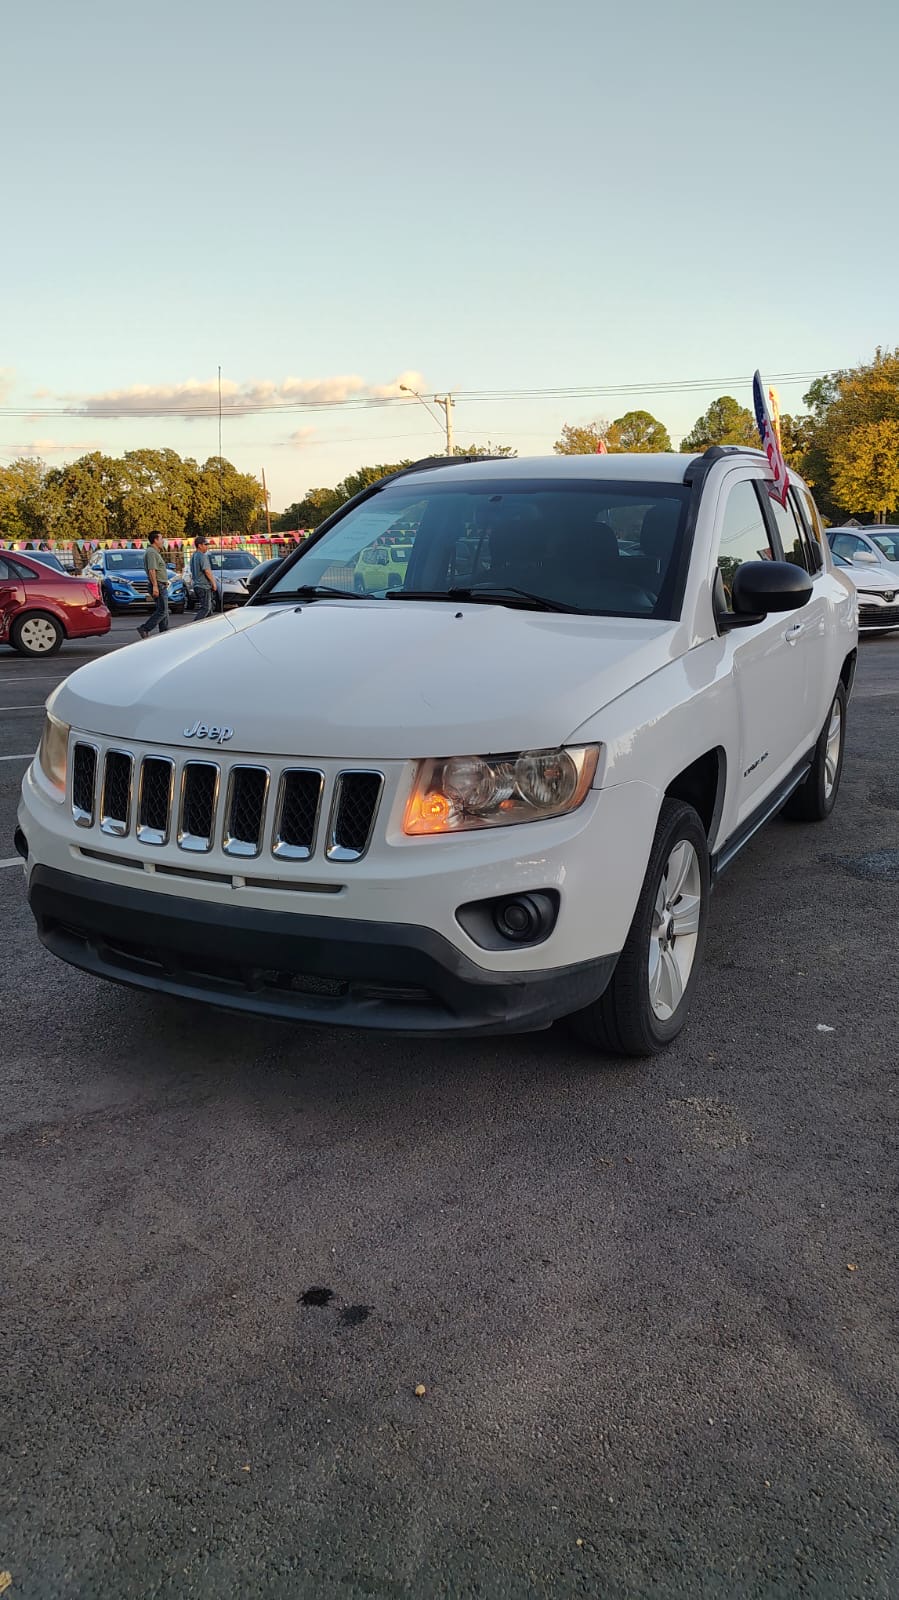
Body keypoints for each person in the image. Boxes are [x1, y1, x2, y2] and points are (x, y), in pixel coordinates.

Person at [138, 531, 170, 639]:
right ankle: (145, 628)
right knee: (162, 611)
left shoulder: (155, 552)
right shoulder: (151, 552)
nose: (163, 541)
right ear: (155, 540)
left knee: (164, 611)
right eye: (161, 539)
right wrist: (155, 586)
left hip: (161, 584)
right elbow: (152, 570)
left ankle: (164, 634)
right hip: (158, 585)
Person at [189, 536, 219, 621]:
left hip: (197, 585)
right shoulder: (202, 556)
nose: (207, 547)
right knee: (206, 608)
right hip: (204, 586)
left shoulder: (193, 556)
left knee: (209, 612)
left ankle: (211, 629)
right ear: (199, 545)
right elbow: (207, 571)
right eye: (205, 544)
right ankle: (193, 626)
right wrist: (213, 583)